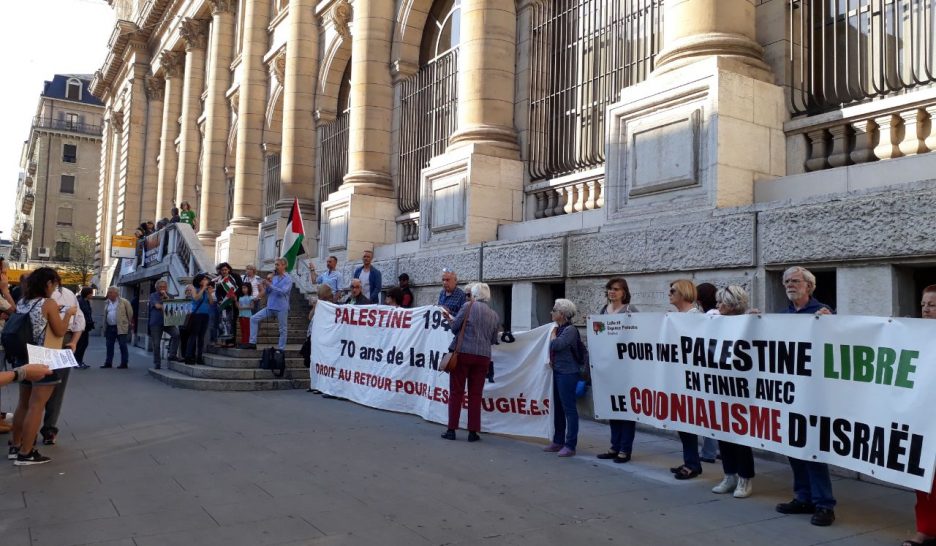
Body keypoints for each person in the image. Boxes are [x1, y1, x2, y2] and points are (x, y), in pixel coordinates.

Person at [775, 266, 837, 526]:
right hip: (790, 394)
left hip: (814, 395)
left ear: (809, 286)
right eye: (786, 281)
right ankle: (803, 497)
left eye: (795, 281)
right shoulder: (782, 316)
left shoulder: (823, 312)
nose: (790, 285)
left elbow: (838, 344)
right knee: (794, 447)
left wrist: (832, 323)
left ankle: (824, 504)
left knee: (813, 450)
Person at [10, 267, 77, 465]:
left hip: (24, 357)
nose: (54, 289)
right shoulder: (48, 303)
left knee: (23, 404)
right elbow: (60, 331)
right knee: (36, 406)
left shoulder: (23, 301)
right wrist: (69, 314)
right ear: (48, 283)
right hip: (43, 358)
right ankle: (26, 453)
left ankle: (15, 445)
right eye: (54, 285)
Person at [709, 285, 756, 498]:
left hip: (742, 388)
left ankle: (745, 478)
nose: (718, 306)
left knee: (741, 436)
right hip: (720, 385)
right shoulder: (714, 322)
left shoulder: (749, 322)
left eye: (722, 302)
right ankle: (730, 475)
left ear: (733, 304)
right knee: (723, 432)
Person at [441, 283, 500, 442]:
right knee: (476, 394)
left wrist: (449, 319)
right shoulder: (494, 315)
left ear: (474, 295)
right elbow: (493, 340)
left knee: (456, 392)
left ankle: (451, 429)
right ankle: (473, 432)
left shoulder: (468, 306)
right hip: (483, 357)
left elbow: (455, 328)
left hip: (463, 353)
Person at [595, 278, 639, 464]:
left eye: (616, 289)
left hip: (626, 368)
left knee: (626, 409)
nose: (612, 292)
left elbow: (638, 335)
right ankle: (614, 446)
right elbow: (598, 334)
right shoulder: (603, 311)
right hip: (608, 367)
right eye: (610, 289)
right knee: (612, 407)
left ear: (624, 292)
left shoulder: (630, 310)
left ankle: (625, 449)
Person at [905, 285, 936, 546]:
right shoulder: (913, 335)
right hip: (921, 417)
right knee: (923, 477)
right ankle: (925, 528)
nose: (926, 309)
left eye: (932, 305)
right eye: (923, 304)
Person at [40, 283, 86, 445]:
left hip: (60, 339)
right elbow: (78, 319)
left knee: (54, 387)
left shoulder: (66, 294)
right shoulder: (32, 295)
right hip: (48, 339)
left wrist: (73, 341)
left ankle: (47, 429)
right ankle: (40, 430)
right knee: (43, 389)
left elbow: (79, 319)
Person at [668, 279, 704, 480]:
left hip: (691, 378)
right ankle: (690, 461)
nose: (669, 294)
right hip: (677, 376)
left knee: (688, 422)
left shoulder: (696, 317)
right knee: (682, 422)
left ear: (683, 293)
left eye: (673, 290)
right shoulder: (675, 317)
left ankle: (692, 464)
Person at [542, 298, 582, 457]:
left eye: (554, 310)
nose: (551, 312)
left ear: (563, 314)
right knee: (558, 408)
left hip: (568, 373)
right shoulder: (558, 328)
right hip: (558, 372)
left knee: (569, 409)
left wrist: (552, 335)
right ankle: (558, 441)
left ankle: (570, 445)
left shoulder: (570, 330)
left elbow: (557, 345)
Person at [243, 258, 292, 351]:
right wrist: (265, 285)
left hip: (281, 307)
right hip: (270, 306)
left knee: (282, 329)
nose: (276, 267)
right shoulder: (274, 277)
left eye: (277, 265)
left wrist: (270, 285)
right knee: (253, 318)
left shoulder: (288, 279)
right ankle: (252, 343)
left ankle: (281, 349)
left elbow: (283, 292)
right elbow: (268, 292)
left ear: (284, 266)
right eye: (275, 265)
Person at [695, 282, 720, 463]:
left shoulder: (709, 316)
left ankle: (709, 452)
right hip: (719, 370)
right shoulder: (721, 315)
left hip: (709, 370)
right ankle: (717, 450)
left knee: (710, 413)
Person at [148, 279, 181, 369]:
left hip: (168, 322)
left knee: (176, 334)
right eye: (161, 287)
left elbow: (173, 307)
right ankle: (157, 362)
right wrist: (167, 307)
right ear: (157, 288)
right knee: (156, 344)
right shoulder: (153, 295)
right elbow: (157, 306)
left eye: (164, 287)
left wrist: (166, 297)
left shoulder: (170, 296)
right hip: (156, 322)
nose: (163, 288)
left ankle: (172, 355)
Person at [185, 273, 215, 364]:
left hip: (205, 315)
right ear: (199, 281)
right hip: (196, 315)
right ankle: (188, 357)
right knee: (193, 336)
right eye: (204, 279)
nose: (206, 281)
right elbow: (196, 298)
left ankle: (199, 357)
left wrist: (209, 293)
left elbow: (211, 303)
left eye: (206, 279)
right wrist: (203, 288)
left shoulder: (206, 290)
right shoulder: (194, 288)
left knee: (201, 337)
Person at [102, 286, 133, 369]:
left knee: (122, 345)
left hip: (121, 327)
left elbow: (130, 313)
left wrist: (127, 323)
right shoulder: (107, 302)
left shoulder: (124, 302)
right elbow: (105, 315)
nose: (108, 294)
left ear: (116, 293)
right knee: (109, 345)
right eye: (108, 292)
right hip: (110, 327)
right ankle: (108, 363)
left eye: (110, 292)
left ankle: (124, 363)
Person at [214, 262, 242, 348]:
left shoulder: (235, 277)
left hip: (234, 302)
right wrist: (219, 300)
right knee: (224, 322)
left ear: (229, 269)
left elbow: (240, 287)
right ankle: (224, 341)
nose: (224, 271)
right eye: (222, 270)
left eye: (225, 269)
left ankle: (232, 342)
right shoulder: (220, 280)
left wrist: (235, 296)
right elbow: (217, 292)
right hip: (224, 303)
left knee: (232, 321)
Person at [73, 287, 94, 369]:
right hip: (81, 327)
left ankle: (79, 361)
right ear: (87, 294)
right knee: (81, 345)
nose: (92, 295)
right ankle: (77, 362)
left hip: (85, 326)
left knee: (84, 344)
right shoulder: (80, 302)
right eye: (91, 293)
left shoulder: (86, 302)